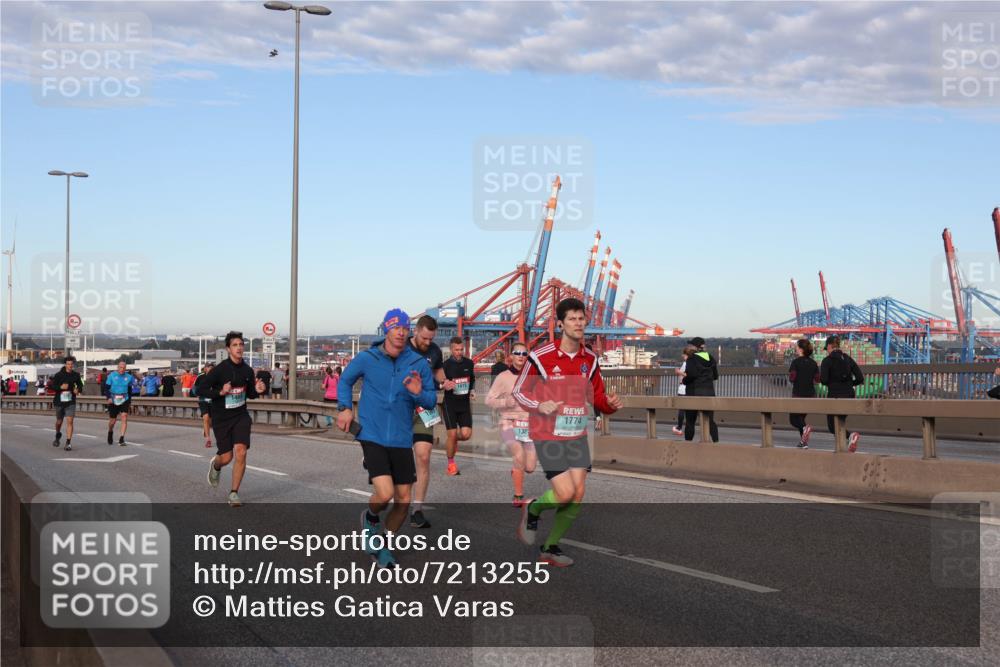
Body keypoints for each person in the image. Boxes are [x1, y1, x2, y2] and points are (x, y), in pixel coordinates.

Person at [512, 297, 622, 567]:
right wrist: (540, 404)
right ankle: (533, 508)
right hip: (547, 434)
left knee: (578, 493)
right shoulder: (541, 357)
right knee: (564, 493)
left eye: (581, 318)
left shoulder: (590, 360)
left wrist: (610, 406)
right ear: (560, 324)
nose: (578, 323)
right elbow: (519, 392)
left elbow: (597, 398)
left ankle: (550, 548)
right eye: (572, 319)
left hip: (576, 434)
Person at [337, 309, 436, 568]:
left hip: (402, 438)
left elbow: (431, 400)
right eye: (396, 328)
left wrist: (418, 393)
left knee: (403, 502)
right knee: (385, 492)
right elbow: (345, 381)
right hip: (372, 434)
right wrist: (345, 407)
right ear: (386, 330)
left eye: (405, 328)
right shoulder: (368, 358)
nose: (401, 332)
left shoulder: (417, 364)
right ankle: (370, 517)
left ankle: (383, 545)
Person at [198, 332, 266, 507]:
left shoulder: (247, 370)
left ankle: (234, 493)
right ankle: (217, 465)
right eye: (235, 345)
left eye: (241, 344)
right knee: (226, 457)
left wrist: (258, 390)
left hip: (241, 415)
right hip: (221, 417)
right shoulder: (219, 370)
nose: (239, 348)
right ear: (228, 349)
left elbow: (250, 394)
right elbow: (201, 389)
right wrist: (220, 392)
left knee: (241, 451)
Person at [407, 315, 449, 529]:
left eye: (430, 339)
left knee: (423, 457)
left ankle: (417, 510)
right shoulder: (402, 347)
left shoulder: (434, 351)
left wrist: (444, 381)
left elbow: (438, 370)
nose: (427, 343)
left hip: (426, 407)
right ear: (415, 331)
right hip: (402, 408)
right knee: (396, 456)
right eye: (424, 338)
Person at [487, 341, 537, 507]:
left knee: (530, 467)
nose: (521, 357)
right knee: (519, 456)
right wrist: (505, 402)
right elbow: (489, 399)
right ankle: (518, 496)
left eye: (524, 354)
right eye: (517, 353)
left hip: (528, 424)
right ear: (511, 356)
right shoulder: (503, 377)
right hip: (508, 422)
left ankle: (516, 470)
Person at [819, 336, 864, 452]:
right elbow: (860, 378)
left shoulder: (827, 361)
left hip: (835, 395)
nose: (827, 350)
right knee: (840, 422)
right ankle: (841, 448)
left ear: (829, 346)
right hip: (849, 395)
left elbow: (823, 380)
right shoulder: (848, 358)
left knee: (832, 425)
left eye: (827, 348)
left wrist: (832, 383)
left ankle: (850, 436)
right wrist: (849, 384)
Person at [441, 336, 475, 476]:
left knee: (466, 435)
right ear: (451, 349)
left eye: (461, 349)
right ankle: (451, 464)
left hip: (464, 404)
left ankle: (452, 440)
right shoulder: (445, 365)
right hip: (450, 404)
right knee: (452, 433)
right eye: (456, 350)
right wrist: (444, 385)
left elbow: (471, 379)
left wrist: (472, 390)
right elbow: (439, 381)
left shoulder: (469, 363)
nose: (459, 352)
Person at [682, 337, 719, 443]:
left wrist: (684, 380)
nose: (689, 347)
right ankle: (716, 443)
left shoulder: (691, 359)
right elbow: (715, 376)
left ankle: (688, 444)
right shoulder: (711, 358)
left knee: (690, 421)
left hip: (693, 393)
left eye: (691, 345)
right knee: (710, 421)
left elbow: (692, 375)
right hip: (709, 393)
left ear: (695, 347)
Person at [788, 339, 820, 449]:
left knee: (793, 419)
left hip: (798, 394)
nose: (795, 348)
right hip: (811, 395)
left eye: (797, 347)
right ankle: (804, 442)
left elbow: (792, 378)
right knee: (801, 418)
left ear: (801, 349)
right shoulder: (813, 363)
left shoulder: (795, 362)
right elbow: (817, 380)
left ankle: (805, 430)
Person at [50, 356, 84, 451]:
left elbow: (81, 384)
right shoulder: (58, 375)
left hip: (70, 401)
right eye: (68, 364)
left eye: (71, 364)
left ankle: (68, 443)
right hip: (59, 402)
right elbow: (52, 386)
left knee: (70, 421)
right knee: (59, 421)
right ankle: (57, 433)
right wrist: (60, 387)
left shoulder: (76, 375)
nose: (70, 366)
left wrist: (78, 389)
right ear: (65, 364)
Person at [105, 360, 133, 446]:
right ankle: (110, 431)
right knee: (112, 421)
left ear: (126, 368)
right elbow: (106, 388)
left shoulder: (129, 377)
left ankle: (122, 438)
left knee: (124, 416)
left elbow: (129, 390)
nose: (122, 369)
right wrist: (108, 397)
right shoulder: (112, 375)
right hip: (113, 399)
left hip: (124, 398)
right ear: (118, 367)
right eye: (120, 367)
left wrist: (130, 401)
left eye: (124, 368)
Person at [672, 345, 695, 436]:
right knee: (689, 410)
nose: (682, 356)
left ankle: (679, 427)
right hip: (691, 389)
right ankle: (689, 427)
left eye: (684, 354)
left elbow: (687, 375)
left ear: (687, 354)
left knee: (681, 409)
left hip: (683, 388)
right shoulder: (694, 363)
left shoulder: (686, 363)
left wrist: (678, 372)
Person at [194, 362, 215, 448]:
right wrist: (197, 393)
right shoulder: (200, 377)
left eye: (212, 367)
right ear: (205, 368)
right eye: (209, 367)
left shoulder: (217, 377)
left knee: (211, 421)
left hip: (213, 401)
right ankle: (208, 440)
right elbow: (195, 388)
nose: (211, 368)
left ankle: (205, 429)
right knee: (206, 418)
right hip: (203, 400)